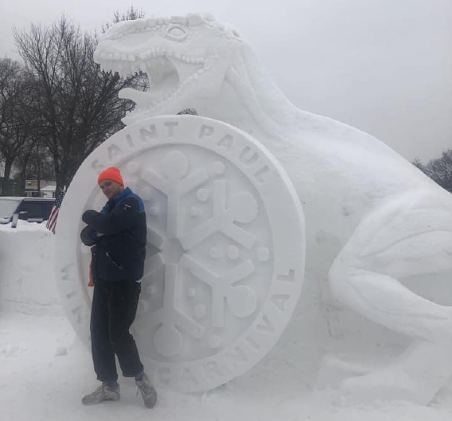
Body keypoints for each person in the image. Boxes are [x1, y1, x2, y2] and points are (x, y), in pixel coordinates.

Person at [80, 166, 157, 408]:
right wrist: (100, 226)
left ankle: (140, 379)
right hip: (104, 280)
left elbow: (108, 226)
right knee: (99, 334)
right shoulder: (110, 209)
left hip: (125, 282)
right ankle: (109, 386)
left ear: (119, 183)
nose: (105, 190)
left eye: (108, 184)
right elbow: (87, 236)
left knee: (118, 334)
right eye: (102, 187)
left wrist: (92, 218)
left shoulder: (131, 203)